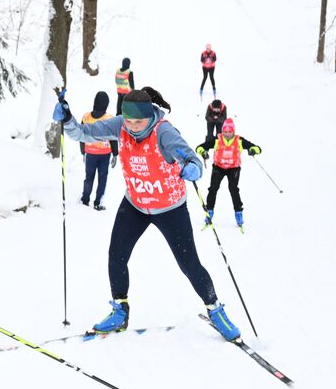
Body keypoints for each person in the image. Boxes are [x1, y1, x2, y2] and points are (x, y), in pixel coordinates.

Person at [53, 87, 243, 341]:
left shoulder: (164, 131)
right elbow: (84, 133)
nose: (132, 126)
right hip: (136, 204)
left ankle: (215, 310)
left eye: (138, 121)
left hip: (170, 208)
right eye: (128, 120)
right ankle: (120, 311)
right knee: (116, 255)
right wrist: (67, 120)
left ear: (149, 116)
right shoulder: (121, 125)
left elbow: (193, 159)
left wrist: (193, 169)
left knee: (189, 264)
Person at [197, 117, 262, 230]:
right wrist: (203, 152)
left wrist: (253, 150)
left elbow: (257, 148)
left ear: (233, 131)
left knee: (233, 189)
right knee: (213, 189)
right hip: (218, 167)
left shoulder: (239, 140)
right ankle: (209, 212)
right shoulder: (217, 139)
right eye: (225, 131)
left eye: (229, 131)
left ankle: (238, 213)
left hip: (234, 168)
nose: (227, 134)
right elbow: (200, 147)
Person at [78, 91, 119, 210]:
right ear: (106, 104)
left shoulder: (86, 117)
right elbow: (113, 138)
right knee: (102, 178)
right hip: (105, 155)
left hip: (90, 153)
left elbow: (81, 136)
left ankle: (85, 199)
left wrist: (83, 152)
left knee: (89, 177)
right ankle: (98, 202)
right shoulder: (109, 118)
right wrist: (115, 154)